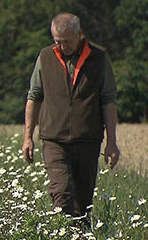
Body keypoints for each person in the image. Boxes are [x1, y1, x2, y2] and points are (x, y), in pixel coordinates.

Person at [22, 13, 120, 221]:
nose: (61, 47)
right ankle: (62, 232)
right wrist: (28, 136)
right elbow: (34, 96)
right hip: (53, 140)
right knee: (62, 194)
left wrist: (112, 141)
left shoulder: (99, 58)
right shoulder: (45, 57)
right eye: (57, 41)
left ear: (79, 35)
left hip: (88, 140)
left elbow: (108, 100)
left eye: (66, 42)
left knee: (83, 205)